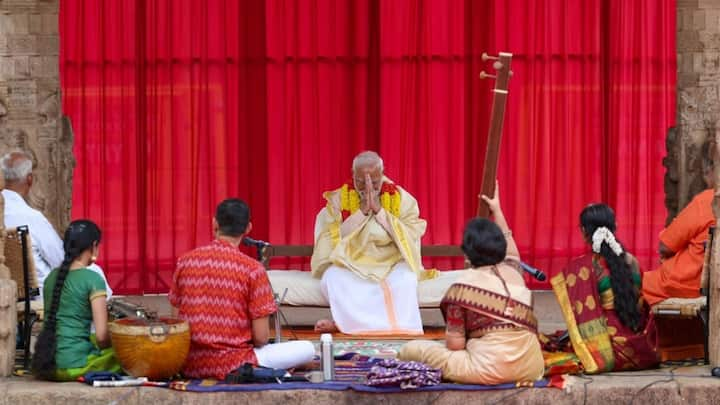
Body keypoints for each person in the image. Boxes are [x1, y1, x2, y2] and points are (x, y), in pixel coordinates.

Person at [398, 184, 544, 384]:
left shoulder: (462, 287)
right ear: (500, 247)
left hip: (487, 370)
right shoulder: (515, 274)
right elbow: (512, 255)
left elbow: (455, 346)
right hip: (532, 367)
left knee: (412, 349)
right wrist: (497, 210)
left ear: (466, 253)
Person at [169, 198, 315, 380]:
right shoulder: (253, 270)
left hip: (189, 364)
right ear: (248, 229)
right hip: (235, 364)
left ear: (214, 223)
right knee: (307, 349)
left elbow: (174, 321)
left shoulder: (185, 261)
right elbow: (261, 338)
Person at [311, 151, 429, 335]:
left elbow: (411, 233)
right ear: (352, 174)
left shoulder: (400, 198)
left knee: (406, 278)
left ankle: (398, 329)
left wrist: (380, 211)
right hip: (351, 262)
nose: (367, 187)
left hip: (390, 262)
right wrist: (362, 212)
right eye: (360, 181)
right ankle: (348, 324)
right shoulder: (339, 199)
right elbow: (330, 237)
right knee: (333, 278)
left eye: (374, 182)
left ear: (382, 173)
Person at [550, 204, 659, 373]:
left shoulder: (585, 266)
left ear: (585, 231)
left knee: (555, 345)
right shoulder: (632, 260)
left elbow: (580, 315)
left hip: (608, 350)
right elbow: (639, 304)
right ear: (614, 226)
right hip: (640, 347)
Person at [1, 150, 112, 298]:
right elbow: (60, 258)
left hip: (10, 288)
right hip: (41, 293)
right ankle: (102, 315)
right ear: (30, 179)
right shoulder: (31, 218)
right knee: (94, 271)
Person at [31, 220, 121, 381]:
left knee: (90, 340)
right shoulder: (93, 279)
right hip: (75, 366)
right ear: (94, 246)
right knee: (125, 355)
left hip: (48, 366)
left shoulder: (51, 278)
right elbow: (101, 338)